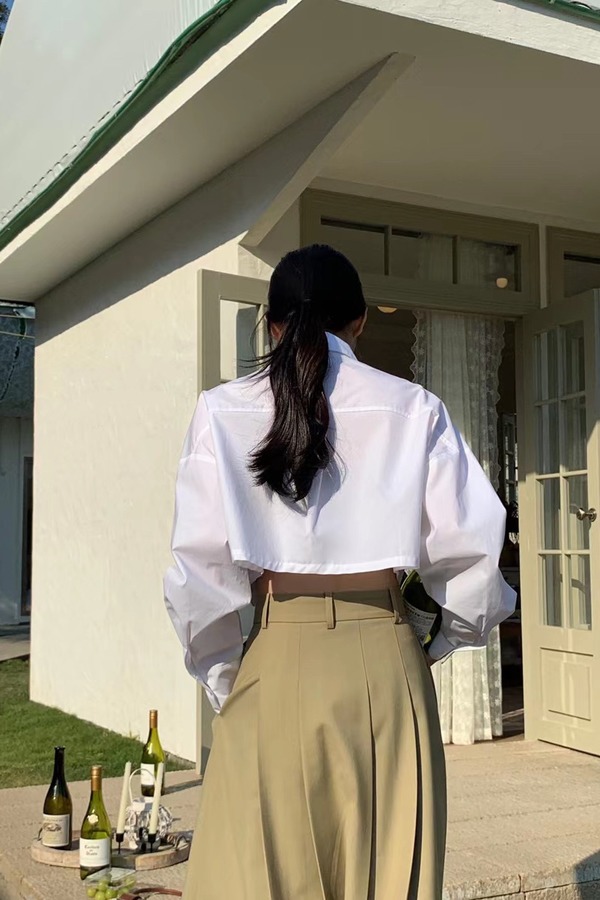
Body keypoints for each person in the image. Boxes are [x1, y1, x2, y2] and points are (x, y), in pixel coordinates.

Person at [164, 244, 516, 900]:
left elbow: (198, 576)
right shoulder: (414, 408)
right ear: (359, 323)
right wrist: (440, 640)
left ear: (272, 326)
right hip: (386, 659)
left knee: (258, 881)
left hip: (273, 661)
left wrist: (225, 678)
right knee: (388, 877)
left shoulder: (222, 410)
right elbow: (472, 558)